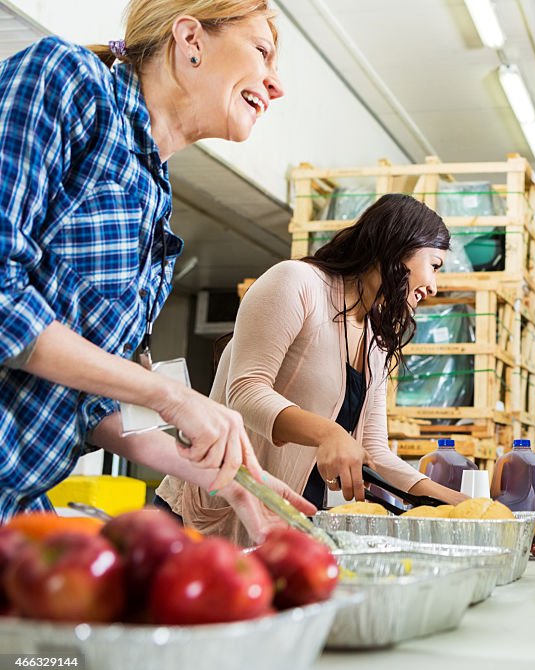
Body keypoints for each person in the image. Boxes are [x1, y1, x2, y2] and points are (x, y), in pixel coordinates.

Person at [0, 0, 312, 538]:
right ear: (190, 39)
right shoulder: (66, 81)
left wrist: (231, 481)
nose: (276, 85)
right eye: (263, 51)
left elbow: (92, 403)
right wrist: (172, 395)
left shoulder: (155, 198)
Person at [157, 194, 468, 544]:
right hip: (212, 513)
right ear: (399, 246)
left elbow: (374, 452)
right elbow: (245, 391)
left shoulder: (375, 338)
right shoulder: (297, 282)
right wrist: (329, 433)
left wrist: (454, 503)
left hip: (281, 521)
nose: (434, 286)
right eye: (435, 265)